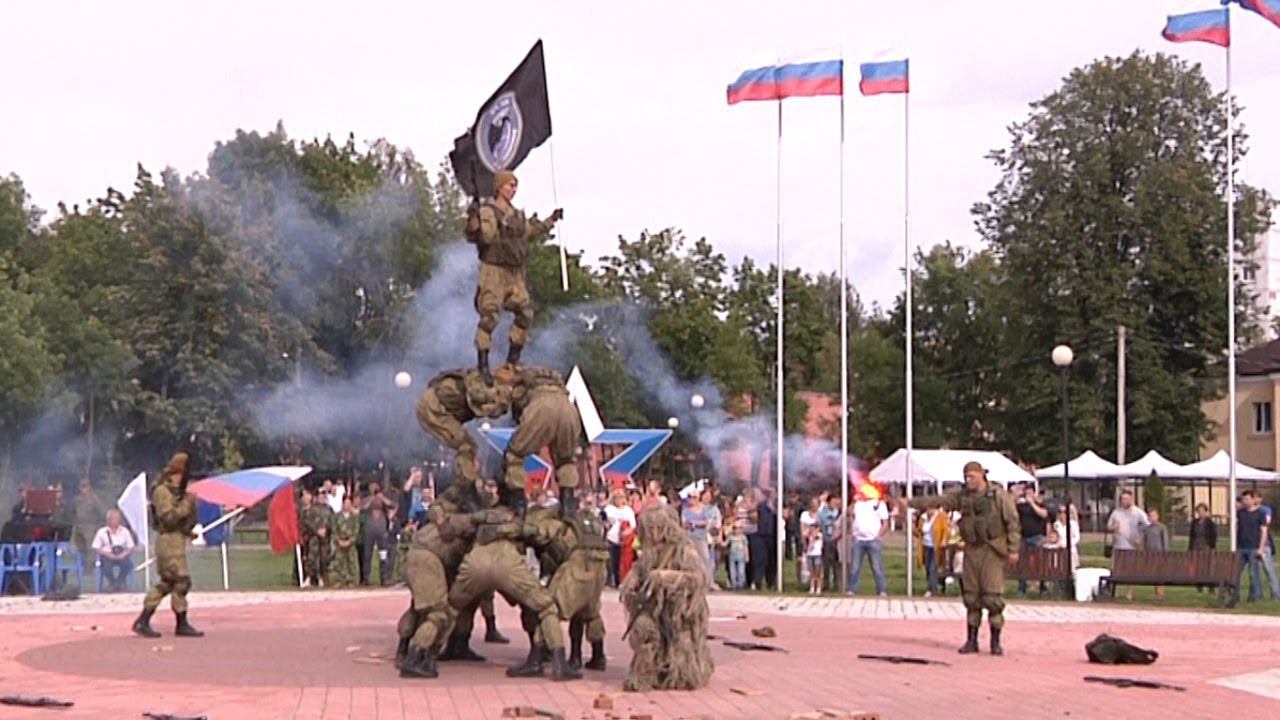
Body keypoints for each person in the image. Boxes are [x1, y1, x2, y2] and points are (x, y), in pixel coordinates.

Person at [909, 461, 1019, 656]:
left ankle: (995, 641)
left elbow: (1012, 522)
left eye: (972, 477)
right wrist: (910, 503)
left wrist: (1013, 549)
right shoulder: (962, 497)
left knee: (992, 597)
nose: (968, 480)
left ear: (982, 476)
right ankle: (972, 640)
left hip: (993, 550)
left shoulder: (998, 496)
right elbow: (940, 501)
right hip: (972, 550)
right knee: (971, 597)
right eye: (966, 477)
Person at [466, 169, 561, 384]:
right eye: (510, 185)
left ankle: (513, 361)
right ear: (499, 187)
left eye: (515, 185)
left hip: (515, 272)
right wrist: (474, 220)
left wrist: (550, 222)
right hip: (494, 270)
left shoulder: (517, 215)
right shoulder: (490, 211)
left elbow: (528, 234)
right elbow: (485, 236)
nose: (513, 189)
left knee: (525, 313)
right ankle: (483, 365)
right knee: (489, 315)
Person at [620, 505, 714, 692]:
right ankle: (646, 674)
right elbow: (637, 573)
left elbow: (700, 578)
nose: (655, 535)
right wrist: (631, 585)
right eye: (650, 530)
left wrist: (668, 577)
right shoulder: (648, 554)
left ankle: (677, 672)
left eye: (659, 529)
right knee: (643, 629)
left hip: (680, 612)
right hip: (654, 610)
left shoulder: (683, 550)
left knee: (682, 656)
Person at [133, 451, 203, 639]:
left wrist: (188, 530)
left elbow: (179, 522)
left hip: (176, 540)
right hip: (168, 542)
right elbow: (169, 518)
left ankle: (145, 620)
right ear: (174, 473)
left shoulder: (175, 493)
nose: (182, 479)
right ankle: (179, 622)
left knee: (169, 582)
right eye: (181, 475)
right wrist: (186, 504)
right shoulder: (162, 492)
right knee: (181, 580)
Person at [503, 367, 583, 515]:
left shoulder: (524, 382)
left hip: (541, 407)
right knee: (566, 460)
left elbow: (517, 404)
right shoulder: (558, 383)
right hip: (569, 409)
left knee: (514, 455)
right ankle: (567, 505)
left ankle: (518, 504)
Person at [416, 369, 511, 490]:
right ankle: (467, 487)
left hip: (439, 408)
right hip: (434, 410)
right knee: (466, 446)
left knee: (467, 445)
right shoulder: (480, 390)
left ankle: (467, 483)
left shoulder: (479, 383)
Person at [848, 484, 889, 597]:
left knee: (877, 567)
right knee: (855, 567)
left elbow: (885, 522)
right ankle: (852, 589)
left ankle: (881, 590)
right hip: (858, 539)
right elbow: (850, 513)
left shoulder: (878, 504)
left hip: (873, 540)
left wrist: (879, 535)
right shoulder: (858, 504)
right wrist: (853, 501)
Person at [1107, 490, 1149, 601]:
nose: (1124, 501)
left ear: (1131, 499)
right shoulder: (1116, 512)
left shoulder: (1138, 513)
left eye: (1126, 499)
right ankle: (1115, 592)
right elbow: (1108, 526)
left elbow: (1147, 526)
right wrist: (1113, 528)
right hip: (1118, 545)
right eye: (1122, 499)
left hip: (1131, 546)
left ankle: (1129, 593)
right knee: (1116, 569)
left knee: (1131, 569)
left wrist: (1140, 537)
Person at [1015, 483, 1049, 598]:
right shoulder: (1021, 506)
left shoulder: (1040, 504)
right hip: (1023, 537)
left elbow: (1044, 515)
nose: (1028, 495)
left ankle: (1043, 588)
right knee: (1023, 564)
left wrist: (1032, 503)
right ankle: (1022, 590)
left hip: (1037, 537)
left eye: (1031, 493)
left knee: (1040, 564)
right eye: (1027, 493)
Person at [361, 482, 397, 586]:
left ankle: (384, 578)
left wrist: (382, 498)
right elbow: (362, 508)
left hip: (382, 531)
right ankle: (366, 578)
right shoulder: (367, 499)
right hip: (369, 530)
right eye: (372, 487)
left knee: (383, 555)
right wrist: (372, 498)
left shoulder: (383, 498)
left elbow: (392, 505)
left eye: (376, 487)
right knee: (367, 555)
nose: (374, 488)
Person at [1236, 492, 1269, 603]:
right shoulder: (1240, 513)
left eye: (1247, 499)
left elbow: (1264, 531)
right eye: (1244, 499)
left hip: (1254, 547)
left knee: (1253, 573)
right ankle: (1236, 595)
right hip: (1241, 547)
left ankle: (1256, 596)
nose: (1245, 501)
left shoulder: (1260, 513)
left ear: (1253, 500)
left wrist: (1261, 548)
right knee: (1236, 572)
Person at [93, 509, 135, 593]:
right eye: (114, 518)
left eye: (118, 518)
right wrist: (107, 554)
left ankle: (117, 583)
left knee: (128, 565)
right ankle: (113, 583)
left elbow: (131, 547)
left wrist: (123, 554)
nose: (116, 520)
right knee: (106, 567)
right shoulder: (102, 532)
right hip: (107, 556)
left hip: (122, 555)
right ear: (108, 520)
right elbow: (96, 547)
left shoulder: (125, 531)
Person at [299, 486, 333, 588]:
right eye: (320, 495)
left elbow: (332, 522)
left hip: (325, 539)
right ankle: (309, 577)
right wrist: (317, 530)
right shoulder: (311, 509)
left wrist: (326, 530)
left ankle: (322, 578)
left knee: (324, 559)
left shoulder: (329, 509)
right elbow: (307, 522)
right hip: (313, 538)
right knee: (312, 558)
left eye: (323, 495)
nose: (322, 497)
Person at [914, 505, 949, 598]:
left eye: (932, 509)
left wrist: (944, 540)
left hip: (936, 546)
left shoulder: (942, 516)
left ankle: (932, 590)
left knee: (934, 567)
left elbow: (945, 529)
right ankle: (931, 586)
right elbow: (919, 530)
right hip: (926, 545)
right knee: (928, 568)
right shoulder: (923, 517)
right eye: (928, 509)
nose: (930, 511)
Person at [604, 490, 635, 587]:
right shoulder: (608, 509)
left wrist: (627, 532)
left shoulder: (628, 510)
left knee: (622, 563)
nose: (619, 499)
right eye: (616, 497)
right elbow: (601, 520)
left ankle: (620, 581)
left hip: (624, 542)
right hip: (611, 539)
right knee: (611, 562)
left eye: (621, 497)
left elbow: (633, 525)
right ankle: (610, 582)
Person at [681, 490, 713, 585]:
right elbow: (684, 524)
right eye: (690, 497)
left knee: (705, 559)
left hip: (700, 538)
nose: (691, 499)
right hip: (689, 538)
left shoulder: (703, 510)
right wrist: (696, 523)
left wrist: (694, 523)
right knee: (688, 560)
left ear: (698, 498)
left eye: (694, 497)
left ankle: (708, 582)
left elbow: (706, 522)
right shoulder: (685, 510)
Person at [72, 478, 108, 563]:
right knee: (80, 548)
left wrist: (99, 524)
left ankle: (90, 567)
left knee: (90, 549)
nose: (83, 489)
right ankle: (82, 565)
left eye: (85, 486)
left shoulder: (94, 499)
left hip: (90, 528)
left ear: (89, 487)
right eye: (82, 487)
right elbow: (73, 512)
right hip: (78, 528)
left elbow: (102, 512)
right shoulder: (77, 500)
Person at [330, 495, 360, 588]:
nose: (346, 505)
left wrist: (350, 541)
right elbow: (334, 529)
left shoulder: (354, 517)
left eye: (348, 503)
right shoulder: (336, 516)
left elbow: (356, 530)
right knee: (339, 562)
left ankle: (351, 581)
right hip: (339, 542)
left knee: (351, 562)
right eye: (345, 503)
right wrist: (338, 540)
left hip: (350, 543)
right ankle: (339, 580)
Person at [1141, 507, 1171, 600]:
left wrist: (1165, 554)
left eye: (1153, 515)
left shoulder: (1162, 528)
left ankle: (1161, 593)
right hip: (1150, 554)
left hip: (1160, 554)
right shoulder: (1147, 529)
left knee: (1160, 574)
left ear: (1157, 516)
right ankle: (1157, 593)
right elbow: (1145, 542)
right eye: (1150, 516)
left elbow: (1165, 541)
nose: (1152, 518)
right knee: (1153, 574)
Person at [1188, 502, 1218, 592]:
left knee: (1208, 566)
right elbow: (1192, 535)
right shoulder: (1194, 522)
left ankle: (1211, 586)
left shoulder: (1210, 523)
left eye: (1202, 511)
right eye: (1199, 511)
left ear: (1206, 511)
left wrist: (1211, 546)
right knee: (1198, 566)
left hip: (1206, 546)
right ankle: (1199, 585)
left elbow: (1214, 535)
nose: (1200, 513)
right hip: (1196, 546)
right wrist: (1190, 547)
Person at [818, 493, 842, 591]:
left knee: (836, 563)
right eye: (833, 500)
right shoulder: (823, 512)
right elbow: (824, 521)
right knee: (826, 562)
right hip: (827, 539)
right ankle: (826, 583)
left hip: (837, 540)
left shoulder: (839, 512)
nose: (836, 502)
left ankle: (837, 583)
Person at [726, 520, 749, 590]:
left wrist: (747, 556)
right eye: (735, 528)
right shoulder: (730, 536)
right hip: (732, 555)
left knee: (741, 570)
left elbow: (745, 547)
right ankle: (734, 584)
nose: (736, 530)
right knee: (732, 570)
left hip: (741, 555)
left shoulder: (743, 537)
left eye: (738, 528)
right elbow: (726, 543)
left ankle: (740, 584)